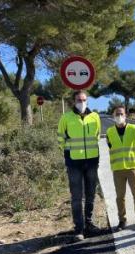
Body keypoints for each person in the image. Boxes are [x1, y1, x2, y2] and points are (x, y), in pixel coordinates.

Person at [57, 90, 102, 242]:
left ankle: (89, 224)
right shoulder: (66, 117)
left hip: (91, 161)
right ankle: (79, 228)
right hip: (74, 163)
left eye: (84, 100)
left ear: (87, 101)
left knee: (90, 194)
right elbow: (60, 138)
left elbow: (97, 135)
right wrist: (69, 155)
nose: (81, 102)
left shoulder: (95, 116)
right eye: (78, 100)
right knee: (77, 197)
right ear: (73, 101)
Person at [106, 106, 135, 231]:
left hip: (133, 167)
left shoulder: (134, 129)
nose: (119, 116)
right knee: (120, 197)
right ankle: (122, 220)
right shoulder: (109, 132)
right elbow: (110, 146)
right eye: (117, 114)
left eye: (121, 114)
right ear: (113, 116)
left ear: (126, 115)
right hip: (118, 169)